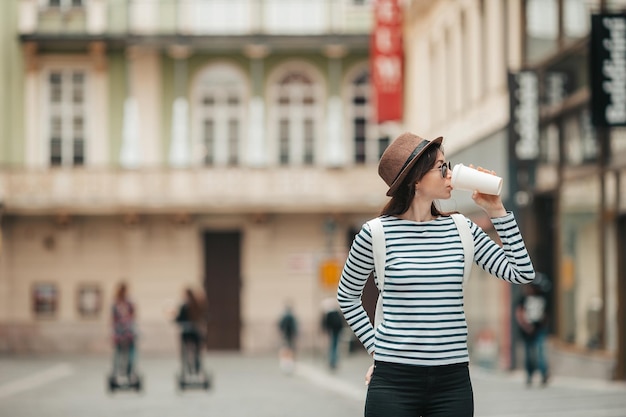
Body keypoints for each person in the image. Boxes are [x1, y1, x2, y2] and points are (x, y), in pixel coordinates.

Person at [337, 133, 536, 417]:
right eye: (442, 167)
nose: (450, 174)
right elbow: (347, 297)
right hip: (393, 382)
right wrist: (376, 349)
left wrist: (497, 211)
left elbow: (521, 272)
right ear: (415, 179)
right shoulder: (375, 234)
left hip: (451, 383)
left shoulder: (461, 228)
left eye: (448, 165)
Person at [515, 277, 550, 387]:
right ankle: (529, 375)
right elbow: (519, 312)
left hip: (539, 328)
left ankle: (543, 373)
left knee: (540, 352)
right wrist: (526, 326)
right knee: (529, 354)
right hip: (527, 330)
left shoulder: (543, 298)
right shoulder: (523, 298)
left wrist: (543, 325)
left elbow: (546, 314)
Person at [175, 287, 207, 374]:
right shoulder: (198, 304)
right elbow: (204, 317)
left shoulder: (185, 306)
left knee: (187, 349)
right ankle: (196, 365)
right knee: (196, 350)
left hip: (187, 332)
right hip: (196, 332)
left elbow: (179, 319)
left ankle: (189, 366)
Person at [111, 281, 137, 377]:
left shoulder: (115, 302)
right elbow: (133, 316)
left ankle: (116, 371)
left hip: (119, 331)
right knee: (131, 351)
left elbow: (113, 319)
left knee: (118, 352)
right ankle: (129, 371)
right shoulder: (130, 302)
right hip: (128, 330)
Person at [321, 297, 345, 370]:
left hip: (331, 332)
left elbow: (325, 323)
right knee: (335, 346)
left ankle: (332, 361)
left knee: (332, 346)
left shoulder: (329, 314)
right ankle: (334, 361)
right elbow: (341, 322)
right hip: (336, 331)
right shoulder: (337, 313)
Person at [278, 302, 298, 373]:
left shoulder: (284, 316)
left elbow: (280, 326)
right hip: (290, 335)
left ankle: (285, 362)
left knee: (286, 348)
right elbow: (294, 327)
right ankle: (289, 362)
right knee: (290, 348)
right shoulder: (291, 317)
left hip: (286, 335)